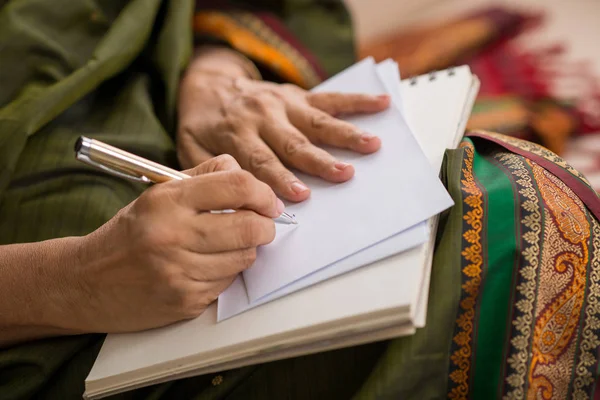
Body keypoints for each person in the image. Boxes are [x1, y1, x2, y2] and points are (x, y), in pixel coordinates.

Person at [2, 1, 600, 399]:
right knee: (520, 242)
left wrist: (217, 74)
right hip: (59, 321)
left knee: (519, 198)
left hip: (171, 97)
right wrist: (72, 282)